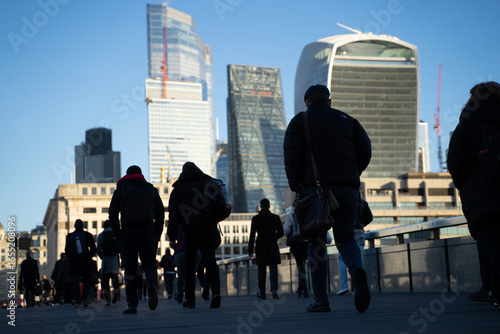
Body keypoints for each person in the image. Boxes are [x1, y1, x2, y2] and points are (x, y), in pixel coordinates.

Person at [283, 84, 372, 313]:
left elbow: (291, 159)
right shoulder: (348, 120)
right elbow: (365, 150)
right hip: (348, 190)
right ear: (329, 101)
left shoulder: (299, 122)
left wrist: (298, 187)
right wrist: (351, 174)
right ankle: (357, 271)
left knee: (317, 243)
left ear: (307, 102)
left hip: (315, 192)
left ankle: (321, 300)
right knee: (346, 238)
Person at [447, 81, 500, 310]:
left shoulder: (467, 124)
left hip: (481, 195)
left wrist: (466, 186)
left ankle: (491, 290)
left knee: (492, 243)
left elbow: (455, 163)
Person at [109, 165, 165, 314]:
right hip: (148, 231)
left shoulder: (121, 189)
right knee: (149, 264)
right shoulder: (151, 189)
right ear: (141, 174)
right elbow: (160, 212)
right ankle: (151, 284)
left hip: (128, 232)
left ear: (127, 175)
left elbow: (112, 213)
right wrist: (157, 233)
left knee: (130, 268)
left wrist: (118, 233)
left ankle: (132, 304)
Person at [167, 162, 222, 309]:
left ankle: (190, 299)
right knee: (210, 261)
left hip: (190, 231)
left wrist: (171, 235)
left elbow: (174, 215)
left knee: (190, 266)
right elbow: (216, 203)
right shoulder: (205, 182)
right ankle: (216, 293)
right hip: (208, 228)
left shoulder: (178, 189)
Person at [248, 198, 284, 300]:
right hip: (272, 246)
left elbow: (252, 235)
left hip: (260, 247)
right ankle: (274, 291)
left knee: (261, 270)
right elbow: (281, 232)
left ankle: (262, 293)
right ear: (269, 206)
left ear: (260, 206)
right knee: (273, 268)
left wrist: (250, 250)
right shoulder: (276, 218)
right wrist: (274, 238)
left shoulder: (255, 219)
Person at [337, 194, 373, 295]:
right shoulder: (363, 203)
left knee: (341, 257)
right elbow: (370, 217)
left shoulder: (344, 202)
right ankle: (358, 288)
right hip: (360, 232)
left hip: (348, 232)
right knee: (359, 259)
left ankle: (344, 286)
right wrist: (362, 224)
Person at [65, 219, 96, 308]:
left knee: (76, 282)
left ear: (74, 226)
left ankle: (77, 302)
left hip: (75, 262)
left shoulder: (69, 236)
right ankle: (84, 299)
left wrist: (72, 258)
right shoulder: (88, 235)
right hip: (85, 262)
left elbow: (67, 251)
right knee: (86, 281)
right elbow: (93, 249)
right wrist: (88, 257)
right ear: (83, 226)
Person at [284, 210, 309, 298]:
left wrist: (291, 235)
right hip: (308, 243)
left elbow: (286, 230)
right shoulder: (308, 212)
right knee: (304, 267)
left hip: (296, 244)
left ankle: (304, 290)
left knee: (300, 267)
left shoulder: (291, 215)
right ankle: (300, 289)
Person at [96, 220, 121, 306]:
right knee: (115, 281)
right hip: (114, 262)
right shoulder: (116, 234)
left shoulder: (101, 236)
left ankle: (108, 300)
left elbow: (98, 249)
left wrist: (102, 256)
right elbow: (120, 247)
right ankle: (116, 292)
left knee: (105, 283)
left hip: (106, 262)